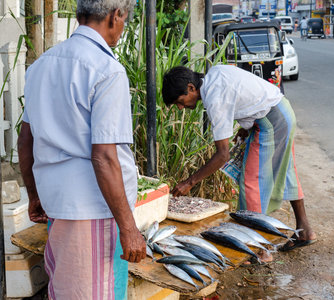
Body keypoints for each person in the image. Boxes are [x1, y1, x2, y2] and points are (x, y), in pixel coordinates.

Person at [17, 0, 146, 298]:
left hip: (57, 204)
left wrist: (35, 195)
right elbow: (104, 156)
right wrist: (129, 229)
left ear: (79, 16)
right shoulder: (106, 69)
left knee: (66, 287)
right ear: (116, 17)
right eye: (124, 21)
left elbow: (26, 140)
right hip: (93, 209)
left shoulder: (40, 66)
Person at [162, 65, 316, 253]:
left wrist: (189, 182)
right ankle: (305, 231)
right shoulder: (215, 73)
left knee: (253, 183)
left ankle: (261, 250)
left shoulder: (214, 99)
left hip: (271, 122)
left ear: (191, 88)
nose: (180, 107)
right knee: (287, 171)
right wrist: (246, 123)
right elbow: (245, 94)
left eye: (180, 100)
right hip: (283, 111)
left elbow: (222, 155)